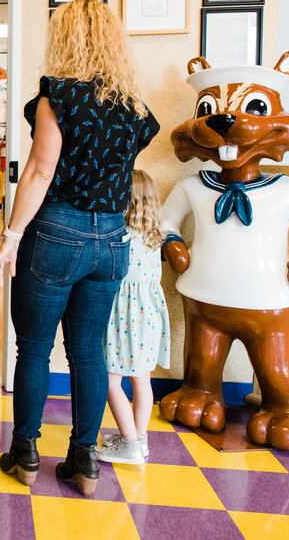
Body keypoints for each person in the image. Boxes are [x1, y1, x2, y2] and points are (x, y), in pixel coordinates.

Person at [0, 0, 158, 496]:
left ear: (65, 38)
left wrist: (12, 237)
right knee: (89, 351)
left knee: (35, 348)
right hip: (111, 238)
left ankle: (24, 453)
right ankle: (84, 460)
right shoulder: (133, 108)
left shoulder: (56, 96)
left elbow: (41, 171)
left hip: (56, 233)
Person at [96, 169, 170, 465]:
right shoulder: (156, 235)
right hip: (150, 315)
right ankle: (139, 438)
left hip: (123, 316)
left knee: (110, 380)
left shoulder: (120, 235)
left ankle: (129, 444)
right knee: (142, 380)